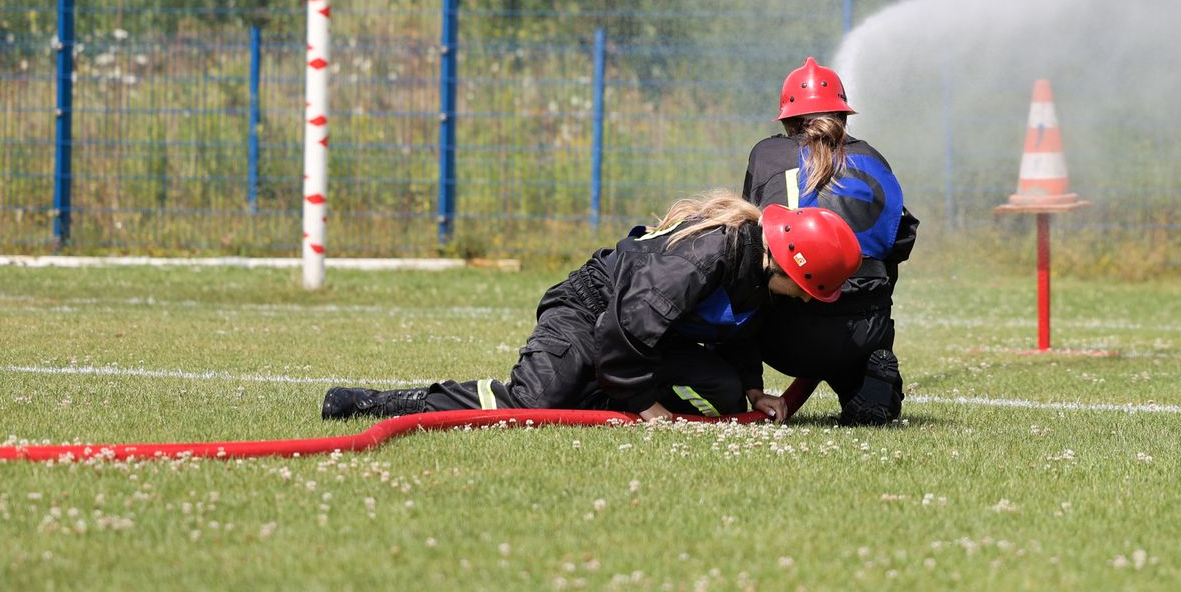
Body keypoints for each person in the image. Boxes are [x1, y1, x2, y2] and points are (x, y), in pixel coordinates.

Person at [320, 193, 860, 422]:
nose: (806, 303)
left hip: (642, 336)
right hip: (588, 312)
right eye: (808, 291)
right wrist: (647, 407)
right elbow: (626, 327)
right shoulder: (703, 258)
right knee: (537, 403)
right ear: (791, 268)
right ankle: (381, 403)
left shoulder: (756, 265)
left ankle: (604, 388)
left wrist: (750, 392)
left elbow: (740, 331)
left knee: (719, 394)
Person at [744, 57, 916, 425]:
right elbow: (898, 248)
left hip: (787, 331)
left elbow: (751, 240)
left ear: (787, 119)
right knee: (859, 315)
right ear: (844, 115)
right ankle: (869, 376)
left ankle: (732, 388)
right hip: (865, 329)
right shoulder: (875, 159)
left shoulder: (768, 154)